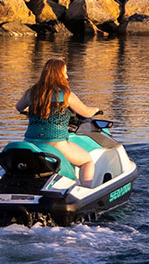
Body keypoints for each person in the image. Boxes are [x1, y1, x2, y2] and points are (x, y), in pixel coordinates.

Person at [15, 58, 101, 187]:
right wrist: (97, 109)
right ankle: (86, 191)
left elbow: (19, 107)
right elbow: (86, 113)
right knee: (87, 161)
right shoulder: (66, 94)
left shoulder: (32, 92)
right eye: (65, 72)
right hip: (56, 143)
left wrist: (35, 109)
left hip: (30, 142)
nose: (66, 76)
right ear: (59, 74)